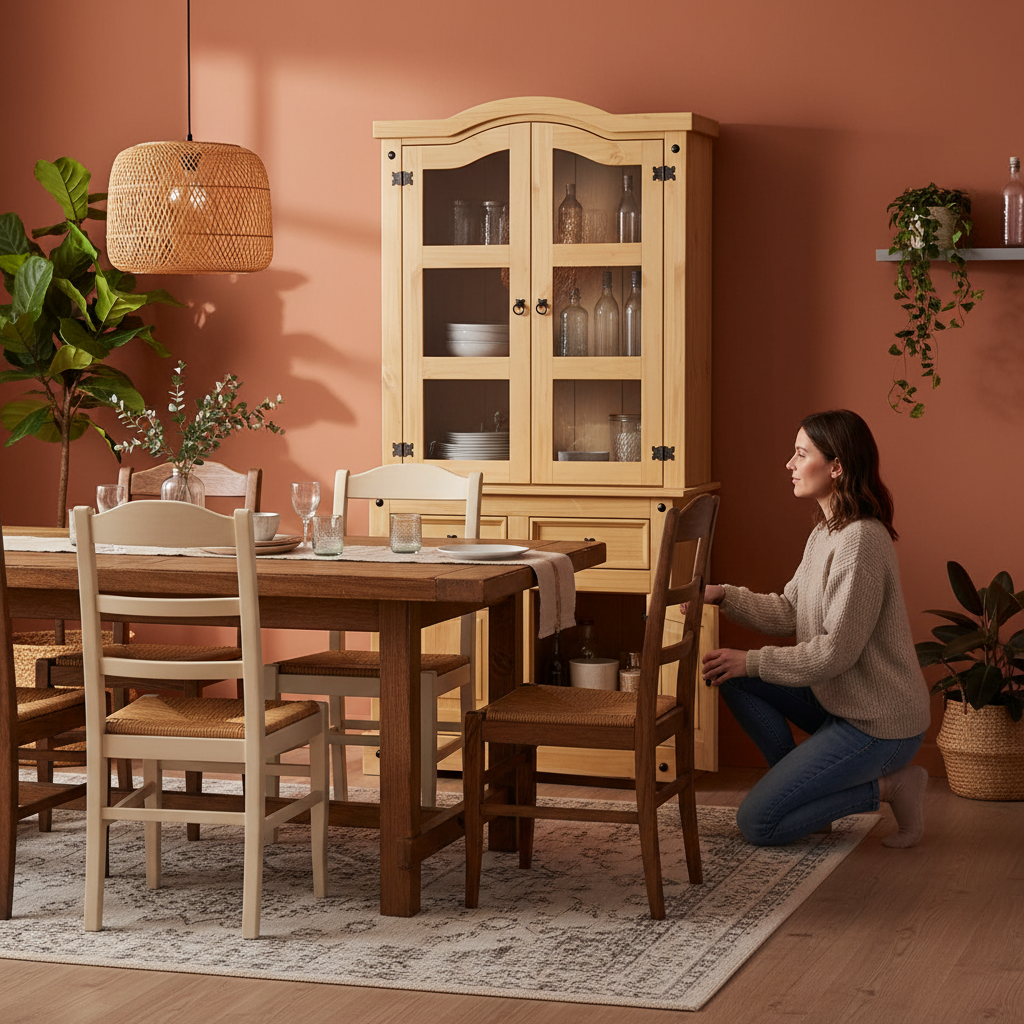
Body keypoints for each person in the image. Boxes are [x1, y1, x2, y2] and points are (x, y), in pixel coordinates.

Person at [700, 409, 930, 848]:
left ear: (836, 466)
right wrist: (722, 595)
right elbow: (790, 610)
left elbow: (833, 654)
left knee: (758, 823)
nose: (790, 464)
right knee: (729, 676)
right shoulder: (826, 530)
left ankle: (893, 786)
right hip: (841, 700)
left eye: (801, 454)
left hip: (879, 723)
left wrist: (752, 660)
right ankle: (808, 799)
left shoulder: (860, 540)